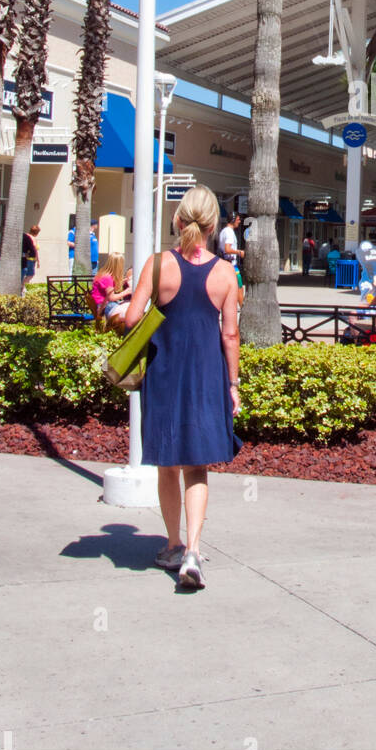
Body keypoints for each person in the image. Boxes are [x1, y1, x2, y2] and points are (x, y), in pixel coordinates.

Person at [126, 186, 241, 591]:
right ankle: (193, 550)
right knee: (197, 466)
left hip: (164, 374)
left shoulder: (158, 265)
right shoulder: (226, 273)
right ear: (213, 225)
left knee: (168, 464)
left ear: (179, 221)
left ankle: (172, 544)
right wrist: (233, 384)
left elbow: (131, 320)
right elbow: (230, 336)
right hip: (206, 377)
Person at [91, 252, 131, 331]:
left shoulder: (102, 274)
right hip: (106, 307)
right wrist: (127, 291)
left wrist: (123, 281)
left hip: (101, 306)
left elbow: (108, 290)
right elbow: (112, 297)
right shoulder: (107, 278)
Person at [20, 225, 40, 293]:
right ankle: (22, 286)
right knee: (30, 274)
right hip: (31, 259)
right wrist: (38, 261)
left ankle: (22, 285)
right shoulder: (33, 239)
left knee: (25, 273)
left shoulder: (26, 236)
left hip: (26, 259)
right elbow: (35, 250)